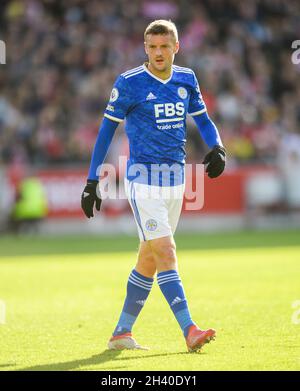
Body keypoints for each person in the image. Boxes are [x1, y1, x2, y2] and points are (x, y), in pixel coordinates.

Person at [81, 20, 226, 352]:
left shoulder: (186, 79)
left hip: (176, 182)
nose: (158, 53)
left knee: (149, 258)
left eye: (164, 46)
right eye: (152, 47)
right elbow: (105, 132)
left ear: (176, 47)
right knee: (167, 251)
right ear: (145, 48)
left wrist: (217, 146)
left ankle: (121, 333)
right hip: (143, 181)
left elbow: (203, 120)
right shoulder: (129, 83)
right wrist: (92, 181)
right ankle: (189, 329)